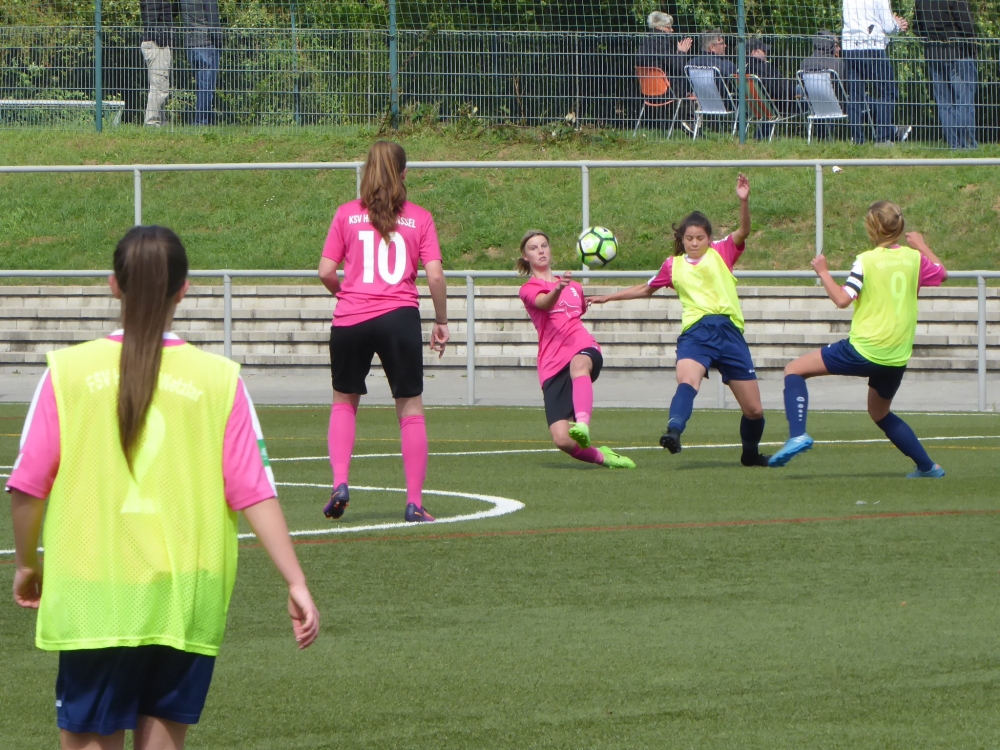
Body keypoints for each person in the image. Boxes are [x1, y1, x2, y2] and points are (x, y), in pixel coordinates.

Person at [9, 225, 319, 750]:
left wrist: (26, 564)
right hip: (186, 595)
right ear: (184, 289)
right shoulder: (219, 380)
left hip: (95, 594)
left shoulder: (68, 372)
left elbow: (28, 486)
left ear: (114, 285)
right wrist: (296, 581)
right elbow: (254, 489)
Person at [589, 175, 770, 467]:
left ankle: (750, 455)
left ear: (709, 238)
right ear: (682, 239)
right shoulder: (672, 265)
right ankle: (673, 431)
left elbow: (744, 230)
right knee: (687, 381)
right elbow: (645, 289)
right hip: (696, 333)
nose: (694, 243)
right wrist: (608, 297)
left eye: (700, 238)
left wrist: (744, 201)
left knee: (754, 411)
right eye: (689, 238)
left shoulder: (721, 252)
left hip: (729, 332)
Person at [319, 141, 449, 524]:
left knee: (344, 402)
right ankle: (414, 503)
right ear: (404, 173)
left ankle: (340, 483)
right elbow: (435, 275)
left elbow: (325, 270)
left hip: (350, 319)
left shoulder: (346, 214)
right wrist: (441, 321)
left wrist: (347, 295)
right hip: (399, 317)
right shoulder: (419, 218)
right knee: (410, 409)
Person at [769, 202, 949, 476]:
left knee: (794, 370)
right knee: (880, 412)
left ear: (871, 227)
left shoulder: (866, 260)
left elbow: (842, 299)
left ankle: (798, 435)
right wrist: (922, 245)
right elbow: (941, 273)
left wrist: (823, 272)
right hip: (896, 355)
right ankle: (928, 466)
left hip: (864, 348)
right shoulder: (914, 258)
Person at [517, 230, 636, 470]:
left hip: (583, 347)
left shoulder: (575, 287)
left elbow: (577, 311)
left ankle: (582, 424)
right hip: (552, 363)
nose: (540, 251)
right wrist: (557, 289)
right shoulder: (528, 288)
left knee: (579, 364)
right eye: (533, 248)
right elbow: (544, 303)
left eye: (544, 245)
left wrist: (565, 288)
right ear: (526, 257)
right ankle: (605, 457)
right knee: (562, 439)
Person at [841, 0, 911, 145]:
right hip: (872, 46)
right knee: (888, 92)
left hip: (849, 46)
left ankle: (857, 140)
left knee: (855, 95)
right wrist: (896, 24)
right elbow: (888, 26)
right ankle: (882, 138)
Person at [913, 0, 978, 149]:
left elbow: (917, 26)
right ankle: (967, 144)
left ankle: (953, 144)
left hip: (934, 53)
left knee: (944, 104)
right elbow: (966, 24)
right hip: (958, 52)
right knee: (964, 101)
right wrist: (973, 45)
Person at [179, 0, 221, 125]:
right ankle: (201, 121)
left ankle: (208, 120)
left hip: (191, 45)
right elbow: (213, 21)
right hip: (206, 44)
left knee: (202, 86)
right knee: (207, 88)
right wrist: (219, 43)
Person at [636, 11, 693, 96]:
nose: (672, 30)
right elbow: (678, 67)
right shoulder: (662, 42)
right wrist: (682, 52)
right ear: (659, 27)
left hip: (647, 90)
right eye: (668, 27)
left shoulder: (644, 42)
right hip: (667, 90)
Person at [746, 38, 800, 117]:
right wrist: (792, 90)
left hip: (755, 107)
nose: (766, 53)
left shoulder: (744, 70)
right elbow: (780, 90)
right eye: (764, 50)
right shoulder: (764, 69)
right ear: (754, 52)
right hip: (779, 105)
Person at [140, 0, 173, 127]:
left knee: (162, 84)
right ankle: (152, 122)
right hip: (156, 44)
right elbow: (150, 17)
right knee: (159, 85)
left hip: (157, 42)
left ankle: (160, 120)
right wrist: (161, 38)